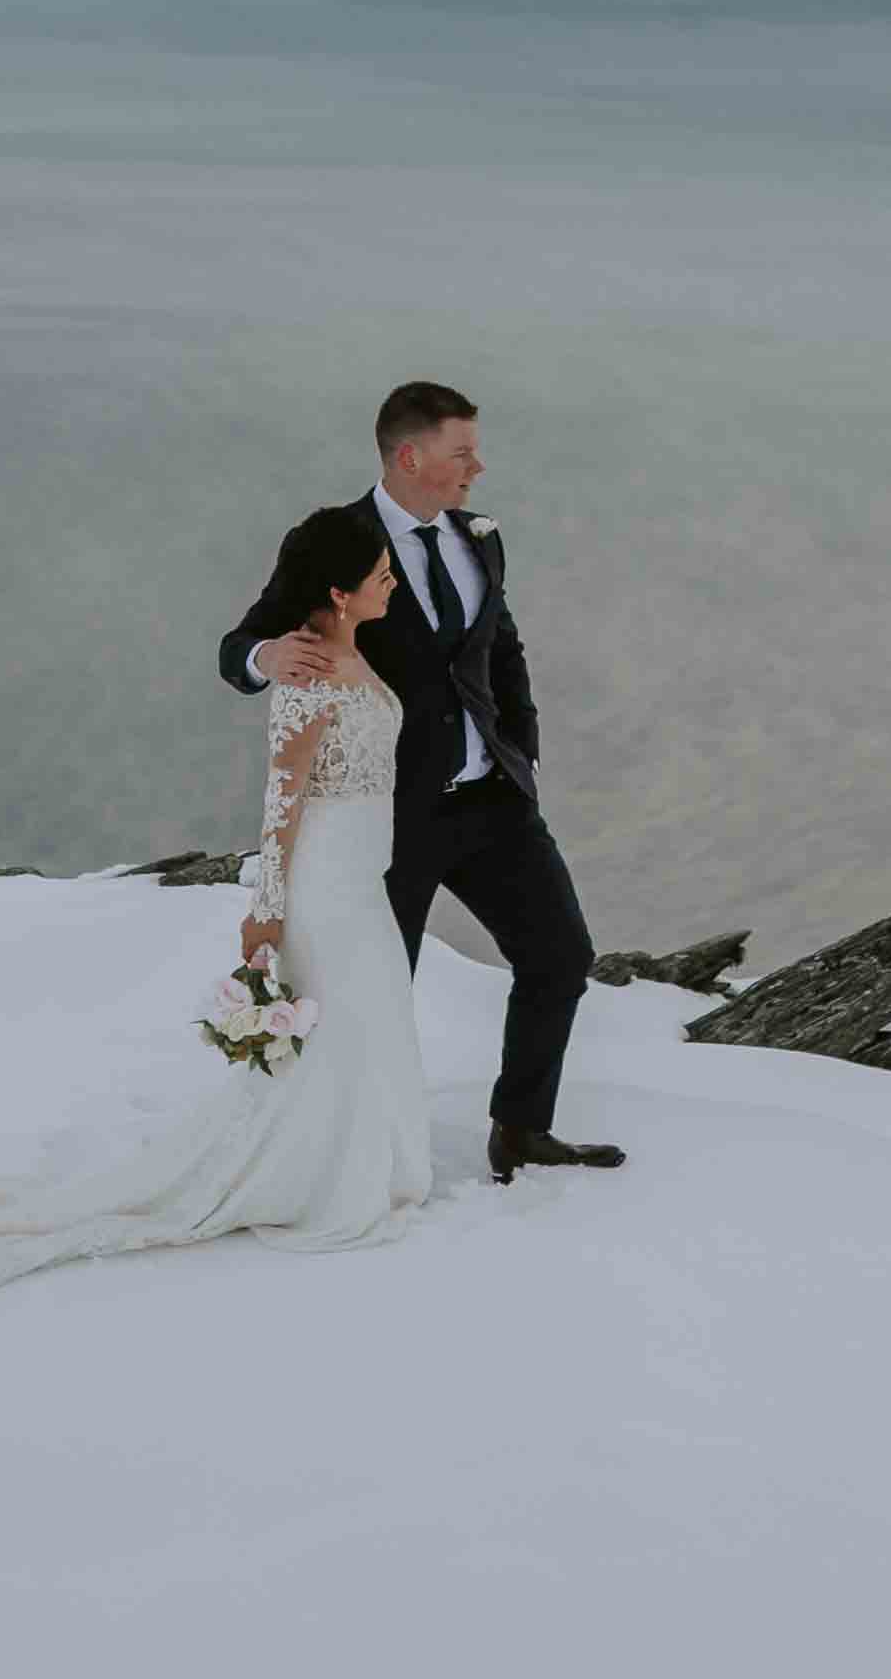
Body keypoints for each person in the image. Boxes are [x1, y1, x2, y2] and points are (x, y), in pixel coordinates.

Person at [0, 527, 434, 1320]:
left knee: (370, 1015)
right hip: (325, 885)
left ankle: (365, 1157)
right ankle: (319, 1174)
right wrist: (266, 909)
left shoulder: (356, 654)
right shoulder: (305, 676)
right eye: (379, 575)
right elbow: (283, 799)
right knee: (340, 1022)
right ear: (339, 594)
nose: (393, 583)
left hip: (362, 876)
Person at [219, 380, 617, 1184]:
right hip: (385, 820)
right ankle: (323, 1150)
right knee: (368, 990)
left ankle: (519, 1130)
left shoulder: (481, 537)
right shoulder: (334, 538)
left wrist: (522, 748)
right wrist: (263, 660)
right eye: (461, 451)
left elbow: (500, 647)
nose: (477, 466)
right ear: (411, 456)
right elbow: (246, 637)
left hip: (491, 801)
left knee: (559, 958)